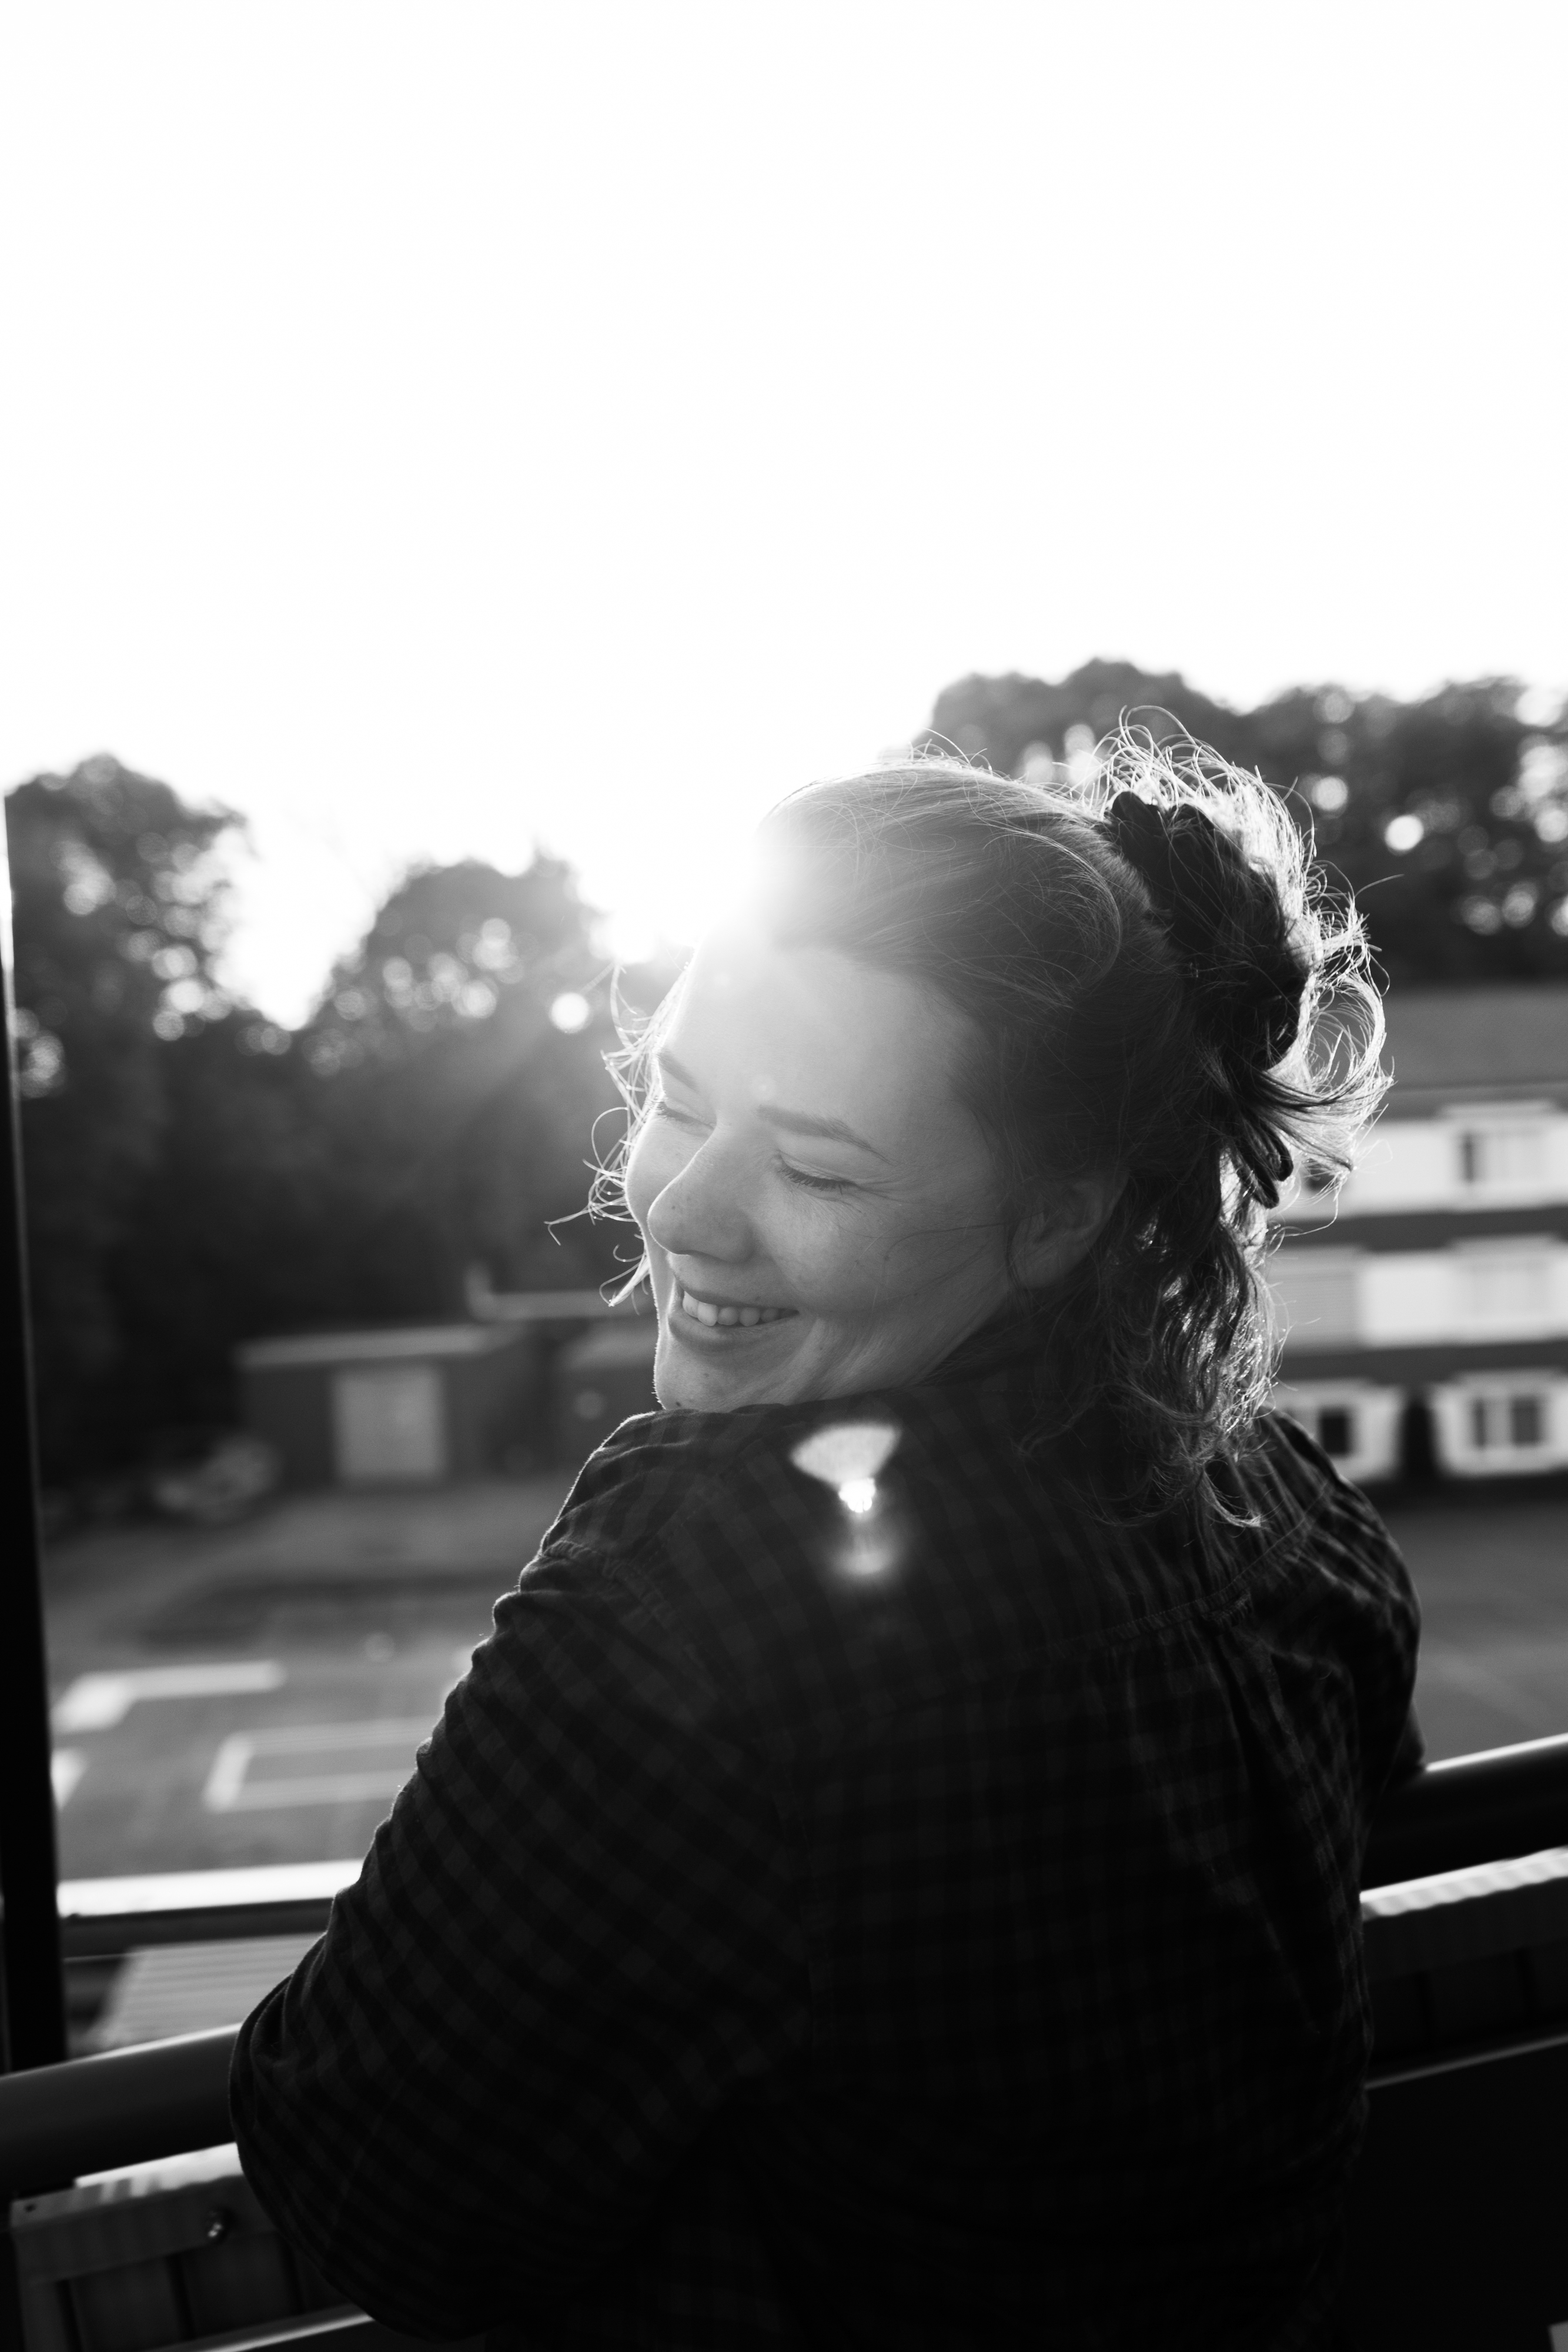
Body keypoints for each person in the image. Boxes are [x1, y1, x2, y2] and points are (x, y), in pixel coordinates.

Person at [231, 734, 1419, 2348]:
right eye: (677, 1096)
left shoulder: (708, 1580)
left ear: (1059, 1210)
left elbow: (368, 2174)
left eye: (814, 1166)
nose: (687, 1211)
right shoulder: (1289, 1510)